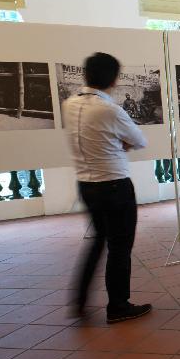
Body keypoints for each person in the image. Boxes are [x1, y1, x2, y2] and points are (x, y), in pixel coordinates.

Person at [63, 52, 151, 323]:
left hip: (86, 185)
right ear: (113, 78)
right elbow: (139, 140)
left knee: (97, 243)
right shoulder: (110, 109)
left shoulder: (69, 105)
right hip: (114, 184)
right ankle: (118, 306)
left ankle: (78, 303)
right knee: (120, 247)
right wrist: (118, 144)